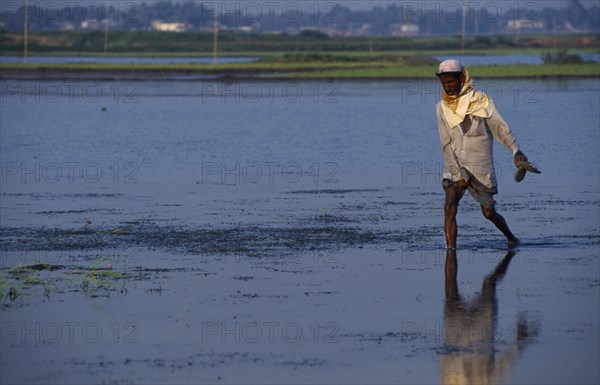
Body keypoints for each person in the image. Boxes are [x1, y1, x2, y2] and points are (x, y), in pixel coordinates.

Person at [436, 59, 528, 249]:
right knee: (449, 207)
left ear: (462, 78)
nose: (448, 87)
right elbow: (445, 143)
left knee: (488, 213)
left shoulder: (482, 102)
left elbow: (500, 129)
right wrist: (458, 173)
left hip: (480, 167)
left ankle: (511, 238)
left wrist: (515, 150)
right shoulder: (441, 108)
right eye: (444, 83)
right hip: (454, 164)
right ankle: (451, 252)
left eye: (451, 82)